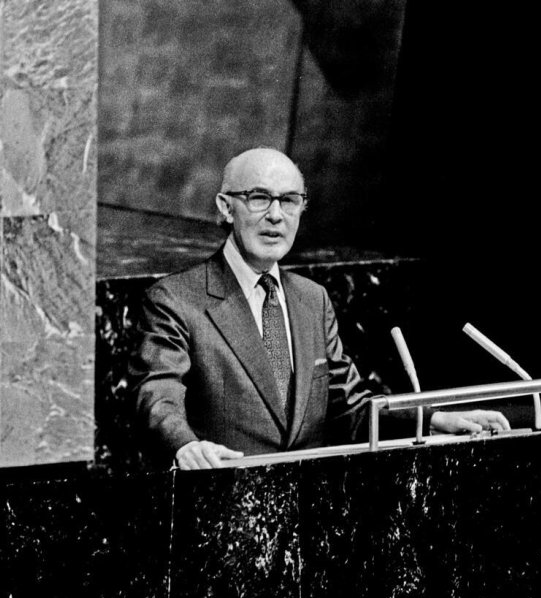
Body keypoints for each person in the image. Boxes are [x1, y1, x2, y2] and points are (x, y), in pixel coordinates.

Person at [129, 147, 510, 470]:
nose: (276, 215)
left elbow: (353, 409)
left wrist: (435, 420)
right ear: (226, 208)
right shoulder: (176, 299)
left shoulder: (312, 300)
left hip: (311, 519)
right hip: (225, 517)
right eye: (259, 198)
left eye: (289, 201)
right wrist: (185, 446)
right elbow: (157, 395)